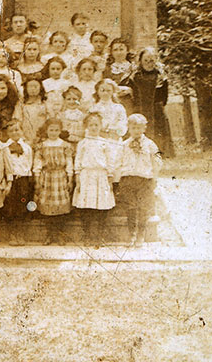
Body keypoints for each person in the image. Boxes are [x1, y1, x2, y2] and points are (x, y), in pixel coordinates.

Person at [72, 111, 117, 245]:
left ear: (101, 126)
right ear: (86, 126)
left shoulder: (105, 142)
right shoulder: (82, 143)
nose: (93, 127)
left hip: (101, 176)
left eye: (96, 125)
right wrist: (78, 178)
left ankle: (99, 236)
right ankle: (87, 235)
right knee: (86, 207)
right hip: (86, 176)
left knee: (101, 206)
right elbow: (78, 161)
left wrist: (109, 178)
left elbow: (110, 161)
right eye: (91, 125)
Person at [118, 114, 160, 247]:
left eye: (139, 128)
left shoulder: (150, 144)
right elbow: (118, 162)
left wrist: (154, 177)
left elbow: (157, 162)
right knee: (131, 207)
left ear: (144, 128)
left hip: (144, 179)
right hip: (128, 179)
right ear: (128, 128)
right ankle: (132, 234)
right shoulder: (124, 145)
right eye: (133, 127)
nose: (136, 130)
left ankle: (141, 235)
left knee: (143, 208)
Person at [125, 48, 172, 158]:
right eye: (146, 60)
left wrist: (158, 107)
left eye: (151, 61)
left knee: (158, 134)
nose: (148, 64)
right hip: (140, 109)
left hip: (156, 110)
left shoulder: (160, 76)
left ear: (155, 61)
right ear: (140, 61)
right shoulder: (135, 76)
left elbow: (164, 96)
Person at [33, 119, 73, 244]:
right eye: (51, 130)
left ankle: (59, 234)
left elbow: (69, 163)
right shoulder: (42, 145)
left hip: (60, 176)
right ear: (46, 131)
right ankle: (49, 234)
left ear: (60, 131)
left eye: (56, 130)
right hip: (47, 177)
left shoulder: (65, 145)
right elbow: (37, 163)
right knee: (48, 207)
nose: (54, 133)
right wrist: (37, 179)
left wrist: (70, 178)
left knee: (60, 208)